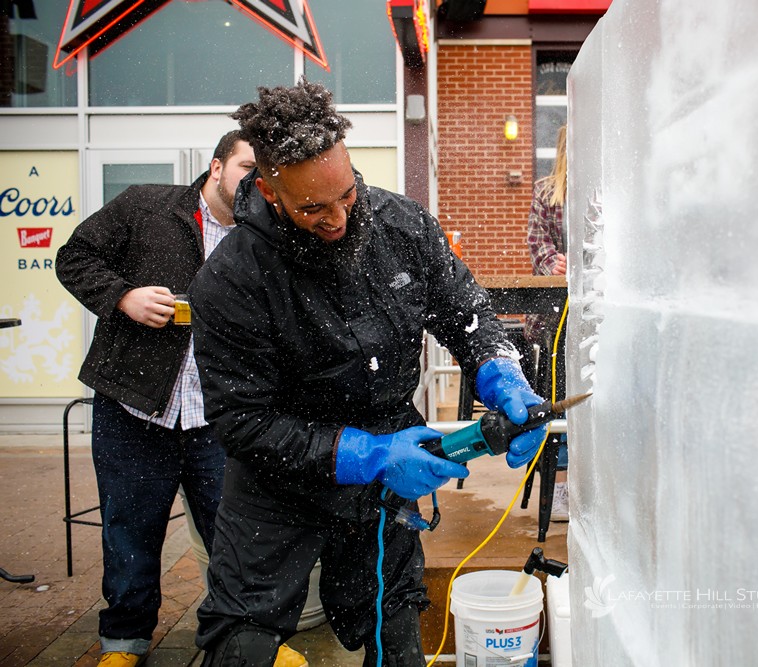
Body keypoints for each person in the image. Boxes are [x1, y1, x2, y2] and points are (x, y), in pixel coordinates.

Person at [187, 79, 548, 667]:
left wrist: (503, 373)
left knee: (392, 622)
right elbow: (240, 421)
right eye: (313, 207)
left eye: (346, 195)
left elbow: (468, 313)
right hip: (278, 475)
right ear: (272, 191)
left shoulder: (401, 227)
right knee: (242, 640)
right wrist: (368, 455)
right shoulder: (231, 279)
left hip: (390, 453)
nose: (336, 217)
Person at [55, 132, 306, 667]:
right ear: (216, 167)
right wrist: (122, 296)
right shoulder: (146, 205)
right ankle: (124, 643)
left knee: (238, 537)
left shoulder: (267, 238)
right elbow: (73, 256)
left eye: (267, 175)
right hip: (134, 407)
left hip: (219, 418)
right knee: (130, 532)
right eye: (246, 166)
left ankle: (254, 638)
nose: (256, 182)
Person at [525, 124, 570, 521]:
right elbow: (537, 243)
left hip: (597, 309)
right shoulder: (545, 191)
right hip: (556, 314)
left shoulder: (606, 188)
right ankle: (558, 480)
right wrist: (553, 262)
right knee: (560, 382)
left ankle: (585, 478)